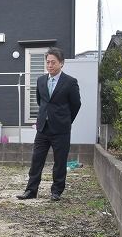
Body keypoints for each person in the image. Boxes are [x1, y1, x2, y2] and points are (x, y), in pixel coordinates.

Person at [17, 47, 81, 202]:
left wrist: (65, 120)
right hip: (43, 128)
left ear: (61, 63)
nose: (50, 65)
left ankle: (56, 191)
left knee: (60, 162)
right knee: (36, 159)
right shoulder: (40, 80)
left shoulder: (70, 82)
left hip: (61, 129)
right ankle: (31, 190)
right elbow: (41, 101)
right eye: (48, 62)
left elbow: (76, 105)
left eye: (53, 62)